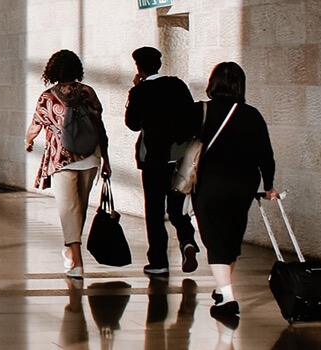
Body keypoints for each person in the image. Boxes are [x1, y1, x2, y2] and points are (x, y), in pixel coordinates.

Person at [188, 61, 279, 320]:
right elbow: (266, 155)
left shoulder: (200, 111)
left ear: (212, 83)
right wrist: (269, 185)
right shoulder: (252, 115)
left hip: (209, 184)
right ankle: (222, 287)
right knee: (230, 238)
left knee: (214, 240)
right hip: (243, 186)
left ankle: (228, 299)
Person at [23, 51, 104, 279]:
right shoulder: (88, 92)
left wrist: (28, 142)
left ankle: (76, 261)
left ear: (52, 70)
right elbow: (99, 127)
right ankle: (71, 251)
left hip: (62, 159)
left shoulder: (48, 97)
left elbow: (35, 126)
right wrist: (105, 158)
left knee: (68, 209)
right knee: (79, 209)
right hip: (89, 157)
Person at [123, 47, 201, 276]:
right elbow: (191, 116)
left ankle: (158, 261)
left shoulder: (140, 92)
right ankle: (187, 241)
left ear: (139, 67)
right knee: (177, 207)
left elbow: (133, 124)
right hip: (178, 157)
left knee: (154, 211)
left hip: (153, 159)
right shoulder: (177, 85)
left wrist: (136, 89)